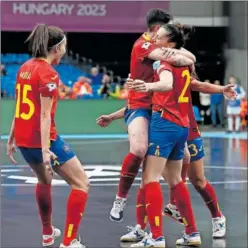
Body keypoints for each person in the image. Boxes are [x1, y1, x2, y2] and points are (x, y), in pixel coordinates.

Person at [97, 8, 196, 223]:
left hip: (160, 108)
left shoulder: (160, 45)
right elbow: (182, 59)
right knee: (139, 149)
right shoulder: (142, 45)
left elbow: (187, 57)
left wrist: (182, 54)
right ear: (158, 29)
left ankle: (171, 206)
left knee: (185, 157)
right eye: (166, 29)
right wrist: (181, 55)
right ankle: (120, 197)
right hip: (140, 106)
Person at [6, 24, 89, 248]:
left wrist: (11, 138)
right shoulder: (48, 73)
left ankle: (47, 233)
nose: (64, 51)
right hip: (43, 141)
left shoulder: (25, 67)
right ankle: (69, 242)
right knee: (81, 183)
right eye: (64, 47)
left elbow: (19, 107)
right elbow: (43, 114)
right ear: (57, 48)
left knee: (44, 180)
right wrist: (45, 149)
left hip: (24, 140)